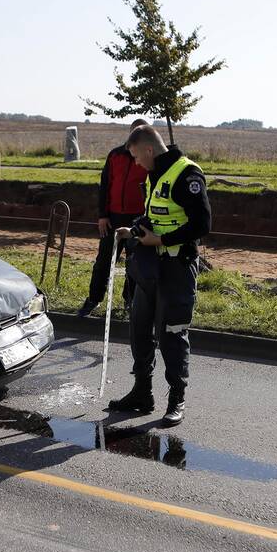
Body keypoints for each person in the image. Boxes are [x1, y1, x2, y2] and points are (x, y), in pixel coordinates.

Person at [108, 125, 211, 427]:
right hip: (150, 267)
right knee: (139, 330)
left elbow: (202, 224)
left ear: (149, 149)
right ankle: (142, 393)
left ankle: (176, 399)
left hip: (176, 268)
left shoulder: (187, 174)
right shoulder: (155, 174)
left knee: (172, 334)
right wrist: (135, 230)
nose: (136, 163)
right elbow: (158, 215)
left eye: (137, 156)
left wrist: (161, 241)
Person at [76, 118, 150, 317]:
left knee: (134, 264)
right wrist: (103, 215)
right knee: (104, 261)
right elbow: (105, 186)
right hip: (112, 218)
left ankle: (130, 301)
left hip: (137, 219)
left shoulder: (149, 159)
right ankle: (94, 299)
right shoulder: (115, 155)